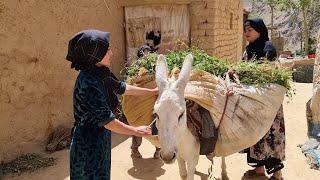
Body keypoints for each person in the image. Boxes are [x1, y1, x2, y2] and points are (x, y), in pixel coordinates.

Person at [66, 29, 158, 180]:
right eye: (107, 50)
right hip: (88, 144)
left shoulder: (100, 72)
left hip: (100, 139)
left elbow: (121, 87)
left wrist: (151, 92)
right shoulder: (88, 81)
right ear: (95, 54)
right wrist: (136, 130)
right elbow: (108, 122)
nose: (111, 53)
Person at [241, 18, 285, 180]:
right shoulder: (248, 49)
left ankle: (277, 173)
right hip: (253, 100)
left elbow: (268, 74)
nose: (246, 33)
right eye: (245, 30)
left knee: (272, 135)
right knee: (256, 135)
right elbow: (244, 69)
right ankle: (259, 169)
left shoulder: (268, 49)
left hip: (269, 102)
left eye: (249, 30)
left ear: (260, 31)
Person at [130, 44, 161, 159]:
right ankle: (134, 149)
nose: (145, 55)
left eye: (148, 52)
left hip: (152, 105)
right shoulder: (134, 69)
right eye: (143, 52)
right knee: (137, 127)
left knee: (156, 127)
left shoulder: (155, 69)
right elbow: (131, 84)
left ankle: (158, 149)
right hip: (139, 105)